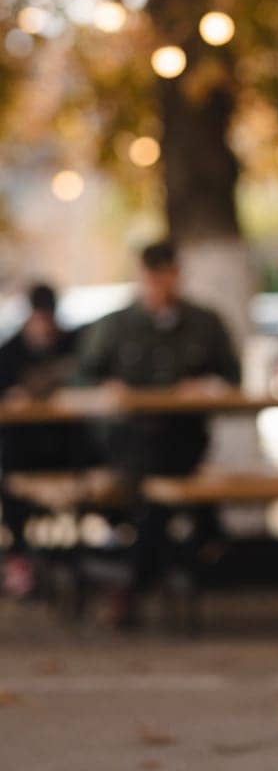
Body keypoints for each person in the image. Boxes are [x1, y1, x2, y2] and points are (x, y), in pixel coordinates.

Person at [74, 239, 242, 623]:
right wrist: (108, 389)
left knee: (158, 491)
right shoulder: (116, 326)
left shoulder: (204, 321)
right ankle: (207, 534)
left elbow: (233, 376)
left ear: (176, 275)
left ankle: (130, 585)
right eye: (151, 278)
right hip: (127, 438)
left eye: (165, 276)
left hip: (183, 439)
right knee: (160, 489)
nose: (158, 286)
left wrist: (205, 385)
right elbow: (82, 376)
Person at [0, 282, 84, 599]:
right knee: (11, 477)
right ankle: (18, 557)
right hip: (24, 449)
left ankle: (93, 564)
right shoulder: (10, 352)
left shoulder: (73, 343)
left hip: (65, 447)